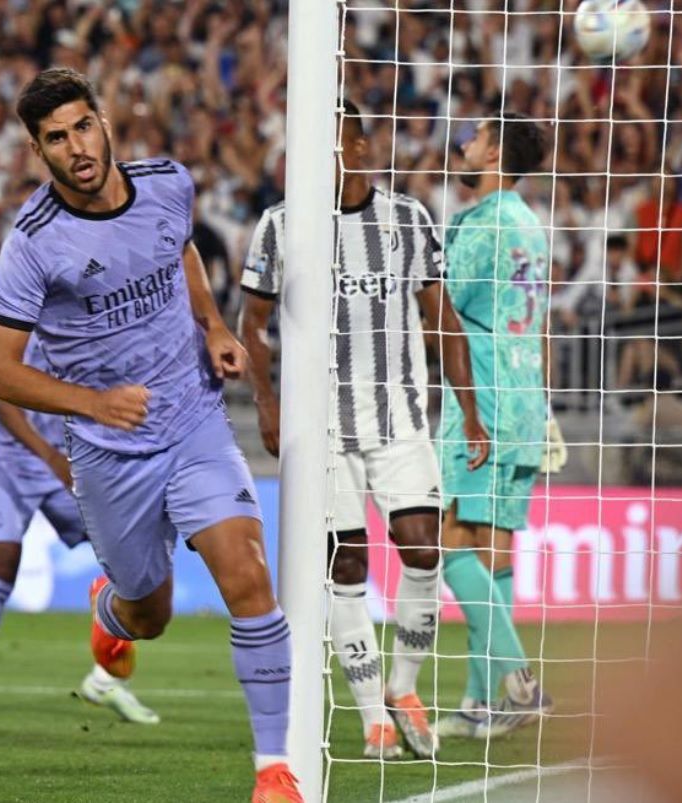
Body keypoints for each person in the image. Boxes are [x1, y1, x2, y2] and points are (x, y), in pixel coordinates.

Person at [0, 69, 301, 803]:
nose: (75, 147)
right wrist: (90, 403)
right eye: (55, 138)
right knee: (147, 614)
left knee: (248, 574)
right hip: (106, 453)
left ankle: (273, 771)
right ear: (39, 150)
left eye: (82, 126)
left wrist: (213, 325)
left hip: (192, 419)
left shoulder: (167, 184)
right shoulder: (32, 244)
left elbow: (176, 250)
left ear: (105, 121)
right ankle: (111, 612)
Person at [239, 100, 490, 760]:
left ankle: (404, 688)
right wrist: (265, 401)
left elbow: (441, 321)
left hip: (400, 419)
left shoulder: (408, 219)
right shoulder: (281, 226)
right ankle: (370, 712)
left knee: (422, 548)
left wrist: (469, 409)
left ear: (358, 143)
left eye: (330, 138)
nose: (316, 153)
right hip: (321, 430)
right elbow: (251, 323)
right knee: (345, 562)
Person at [0, 336, 159, 727]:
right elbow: (0, 393)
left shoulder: (98, 330)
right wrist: (49, 455)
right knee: (3, 562)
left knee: (125, 557)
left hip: (68, 460)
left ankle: (106, 680)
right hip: (8, 459)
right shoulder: (27, 324)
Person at [435, 113, 555, 738]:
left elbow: (440, 308)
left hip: (479, 400)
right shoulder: (531, 226)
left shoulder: (484, 226)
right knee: (493, 549)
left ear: (496, 152)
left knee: (446, 538)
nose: (462, 144)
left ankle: (520, 684)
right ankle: (483, 704)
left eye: (475, 138)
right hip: (524, 400)